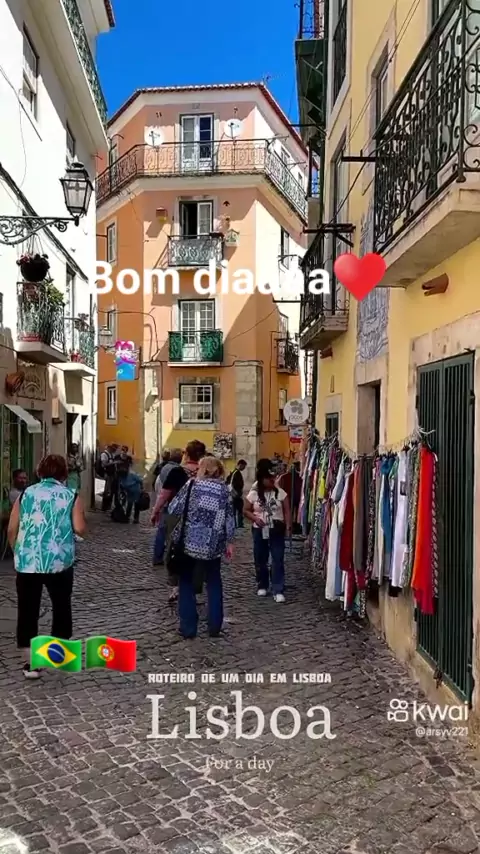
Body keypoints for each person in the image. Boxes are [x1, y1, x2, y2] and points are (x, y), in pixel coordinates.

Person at [7, 454, 87, 679]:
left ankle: (30, 663)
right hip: (59, 561)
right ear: (64, 473)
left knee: (27, 610)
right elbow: (80, 528)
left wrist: (18, 551)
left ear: (40, 472)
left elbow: (12, 528)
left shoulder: (26, 494)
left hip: (28, 561)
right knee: (61, 605)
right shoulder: (71, 495)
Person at [168, 455, 235, 639]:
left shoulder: (192, 485)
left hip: (190, 542)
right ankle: (214, 626)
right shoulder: (224, 490)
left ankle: (188, 628)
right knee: (213, 582)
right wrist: (230, 542)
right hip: (213, 544)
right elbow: (230, 519)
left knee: (186, 582)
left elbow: (173, 508)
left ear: (203, 469)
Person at [151, 440, 206, 602]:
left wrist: (155, 511)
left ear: (186, 454)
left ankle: (176, 586)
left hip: (177, 516)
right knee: (197, 551)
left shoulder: (177, 472)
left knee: (174, 548)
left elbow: (164, 494)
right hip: (200, 517)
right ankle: (194, 587)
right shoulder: (205, 473)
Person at [244, 458, 291, 603]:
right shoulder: (254, 494)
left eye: (273, 478)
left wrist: (288, 527)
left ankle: (278, 588)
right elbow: (245, 510)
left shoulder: (281, 493)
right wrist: (255, 518)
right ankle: (262, 584)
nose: (272, 480)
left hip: (276, 529)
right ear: (262, 479)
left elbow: (287, 511)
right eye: (269, 478)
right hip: (260, 529)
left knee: (277, 558)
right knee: (260, 558)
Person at [153, 448, 183, 566]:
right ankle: (169, 557)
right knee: (172, 532)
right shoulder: (176, 470)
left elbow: (158, 485)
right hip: (171, 504)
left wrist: (157, 507)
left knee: (162, 531)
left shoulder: (164, 467)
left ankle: (158, 556)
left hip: (165, 503)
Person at [114, 458, 144, 523]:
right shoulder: (121, 478)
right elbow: (121, 486)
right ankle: (127, 517)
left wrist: (142, 488)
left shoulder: (132, 475)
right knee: (129, 504)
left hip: (136, 491)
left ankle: (136, 518)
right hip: (129, 492)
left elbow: (140, 480)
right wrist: (121, 493)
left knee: (136, 504)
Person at [227, 460, 247, 528]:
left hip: (237, 494)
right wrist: (234, 493)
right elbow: (231, 484)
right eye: (244, 466)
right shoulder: (235, 472)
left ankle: (238, 524)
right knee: (236, 509)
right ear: (240, 465)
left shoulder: (236, 472)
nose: (244, 468)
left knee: (238, 509)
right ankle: (237, 524)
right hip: (235, 495)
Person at [99, 444, 117, 511]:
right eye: (113, 448)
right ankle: (104, 507)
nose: (114, 450)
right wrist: (113, 463)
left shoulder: (111, 454)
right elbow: (103, 464)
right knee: (107, 491)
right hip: (107, 474)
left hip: (112, 474)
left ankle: (108, 506)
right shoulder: (104, 454)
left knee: (110, 490)